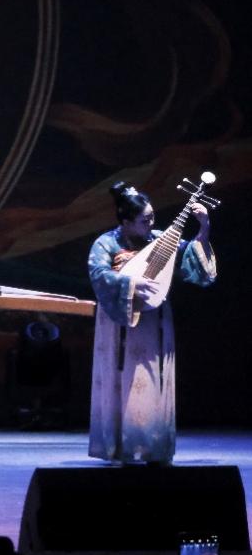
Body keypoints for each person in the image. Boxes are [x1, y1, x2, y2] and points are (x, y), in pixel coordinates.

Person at [88, 181, 214, 463]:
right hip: (119, 324)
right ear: (126, 221)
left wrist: (204, 227)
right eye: (145, 220)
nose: (151, 224)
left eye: (153, 217)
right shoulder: (106, 244)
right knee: (121, 381)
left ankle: (153, 447)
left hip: (154, 321)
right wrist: (131, 284)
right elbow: (98, 275)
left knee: (152, 380)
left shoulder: (158, 239)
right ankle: (121, 448)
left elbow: (192, 260)